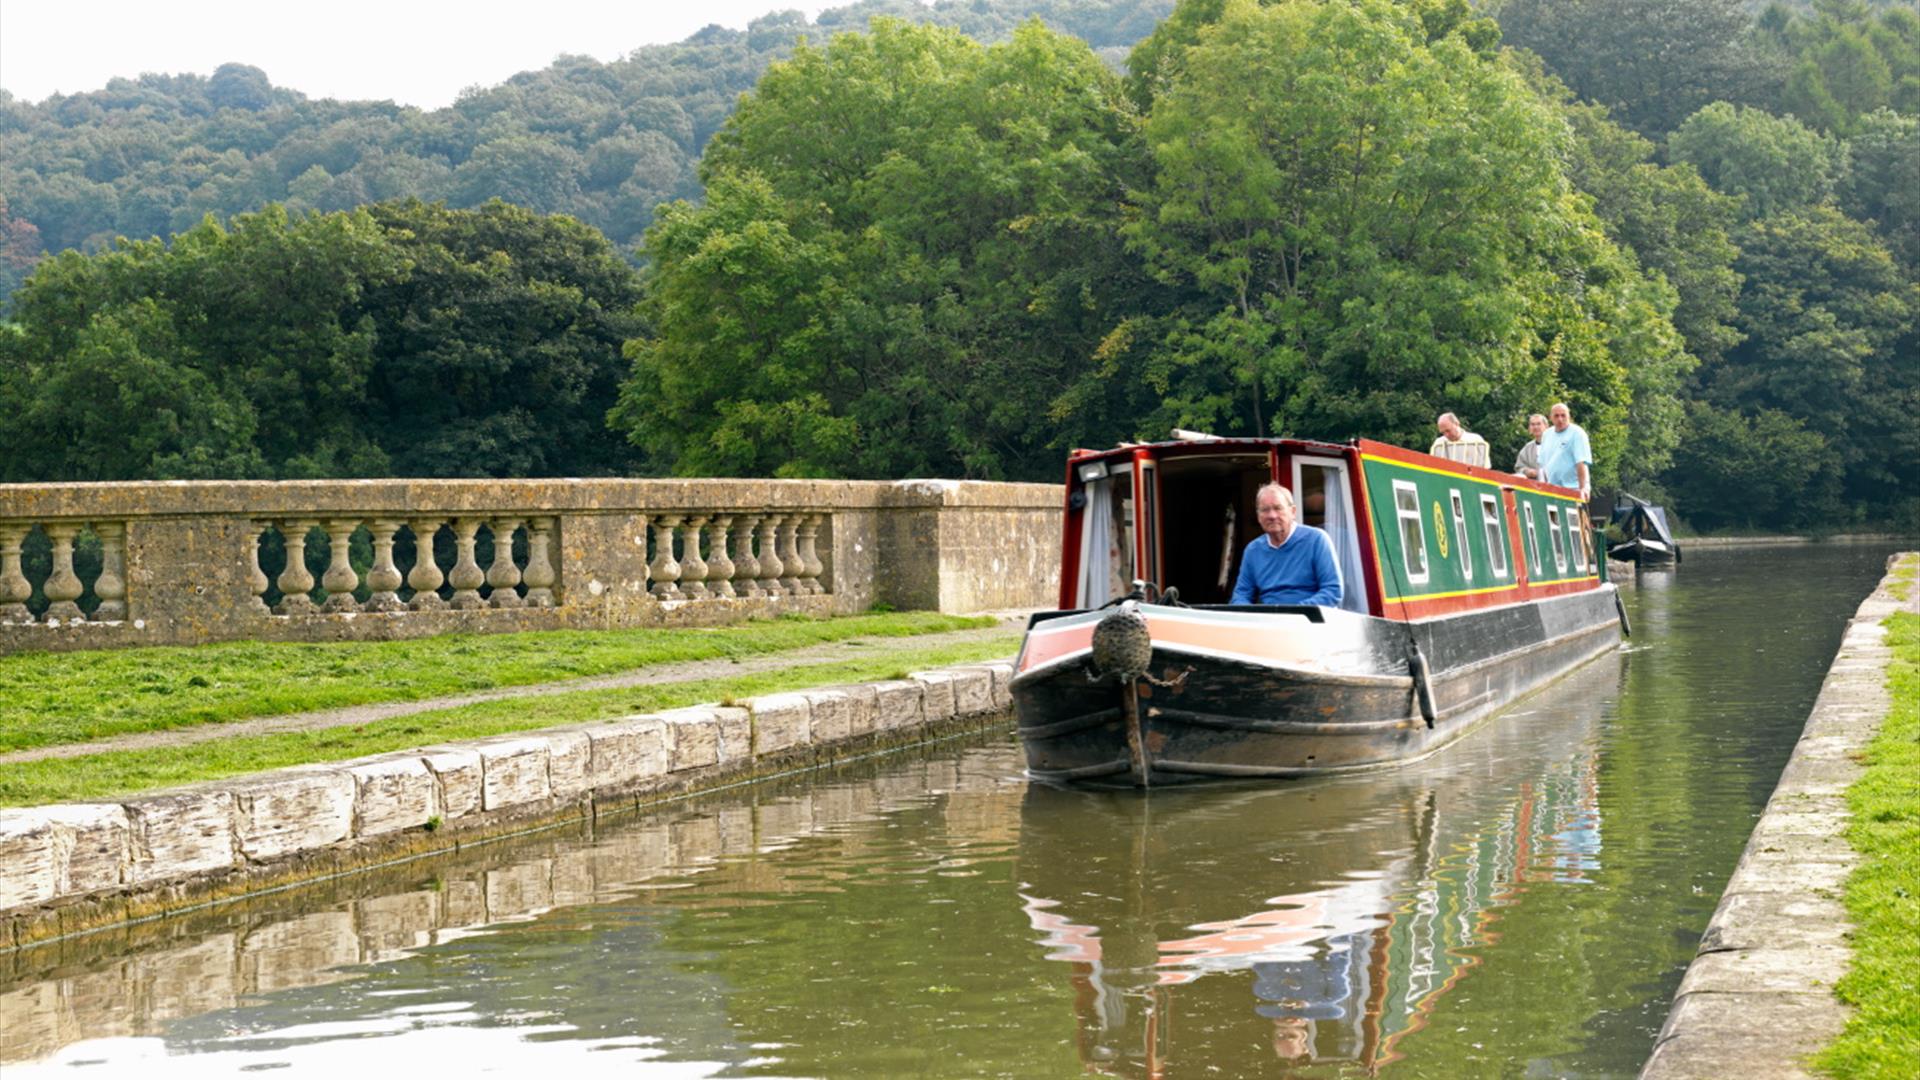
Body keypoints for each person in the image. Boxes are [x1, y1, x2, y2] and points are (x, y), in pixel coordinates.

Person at [1231, 483, 1342, 606]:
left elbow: (1333, 591)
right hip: (1268, 621)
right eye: (1265, 510)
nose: (1272, 516)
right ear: (1258, 516)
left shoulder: (1316, 540)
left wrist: (1293, 613)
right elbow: (1240, 595)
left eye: (1278, 508)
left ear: (1293, 512)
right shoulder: (1253, 550)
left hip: (1309, 620)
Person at [1538, 401, 1592, 501]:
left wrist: (1583, 488)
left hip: (1572, 489)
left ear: (1569, 416)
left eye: (1563, 415)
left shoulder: (1577, 433)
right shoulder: (1546, 435)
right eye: (1556, 416)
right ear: (1551, 418)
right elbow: (1542, 465)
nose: (1560, 419)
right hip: (1552, 490)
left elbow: (1581, 463)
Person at [1513, 413, 1547, 479]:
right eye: (1533, 424)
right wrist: (1526, 471)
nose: (1535, 427)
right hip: (1533, 487)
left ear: (1546, 426)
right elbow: (1518, 467)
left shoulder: (1555, 444)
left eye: (1538, 424)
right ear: (1529, 428)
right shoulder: (1527, 448)